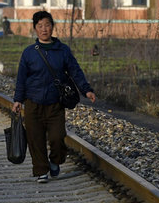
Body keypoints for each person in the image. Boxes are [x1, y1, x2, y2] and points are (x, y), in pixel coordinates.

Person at [12, 11, 96, 183]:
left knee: (58, 137)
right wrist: (18, 100)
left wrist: (86, 90)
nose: (44, 29)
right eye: (40, 26)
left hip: (55, 103)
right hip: (33, 102)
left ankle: (55, 161)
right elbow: (21, 78)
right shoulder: (29, 53)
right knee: (35, 139)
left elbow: (75, 71)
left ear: (53, 27)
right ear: (35, 29)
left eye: (47, 25)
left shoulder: (62, 50)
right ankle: (41, 171)